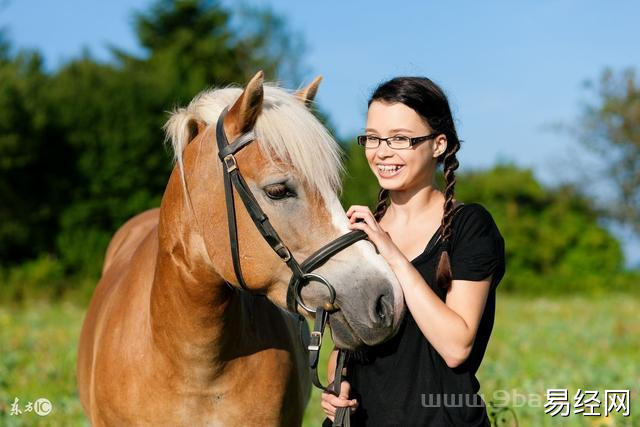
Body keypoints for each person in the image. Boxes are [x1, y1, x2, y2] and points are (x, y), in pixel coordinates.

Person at [320, 77, 506, 426]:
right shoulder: (358, 234)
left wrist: (391, 254)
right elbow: (344, 350)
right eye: (372, 138)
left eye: (400, 139)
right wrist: (336, 387)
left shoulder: (470, 227)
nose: (382, 151)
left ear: (438, 145)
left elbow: (456, 346)